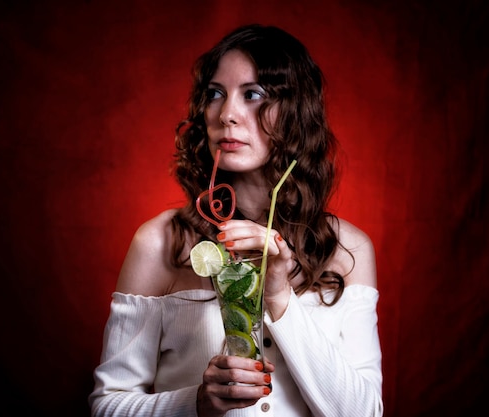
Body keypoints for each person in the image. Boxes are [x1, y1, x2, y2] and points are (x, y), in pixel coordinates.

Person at [89, 24, 383, 417]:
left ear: (297, 112)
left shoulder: (349, 251)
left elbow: (364, 413)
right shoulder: (160, 243)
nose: (227, 114)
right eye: (215, 94)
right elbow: (107, 407)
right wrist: (195, 403)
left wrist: (279, 298)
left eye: (253, 94)